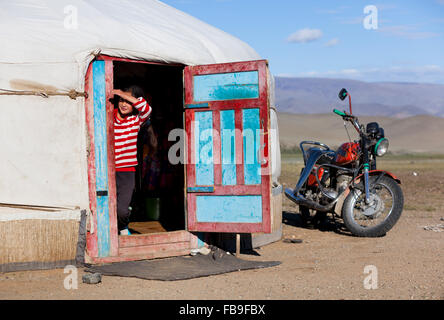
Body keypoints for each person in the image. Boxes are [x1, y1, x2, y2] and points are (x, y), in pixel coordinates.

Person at [113, 86, 152, 235]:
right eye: (121, 100)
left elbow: (147, 109)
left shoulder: (135, 121)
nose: (123, 104)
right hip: (107, 170)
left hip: (126, 171)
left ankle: (123, 226)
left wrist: (121, 93)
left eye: (128, 101)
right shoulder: (109, 116)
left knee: (122, 210)